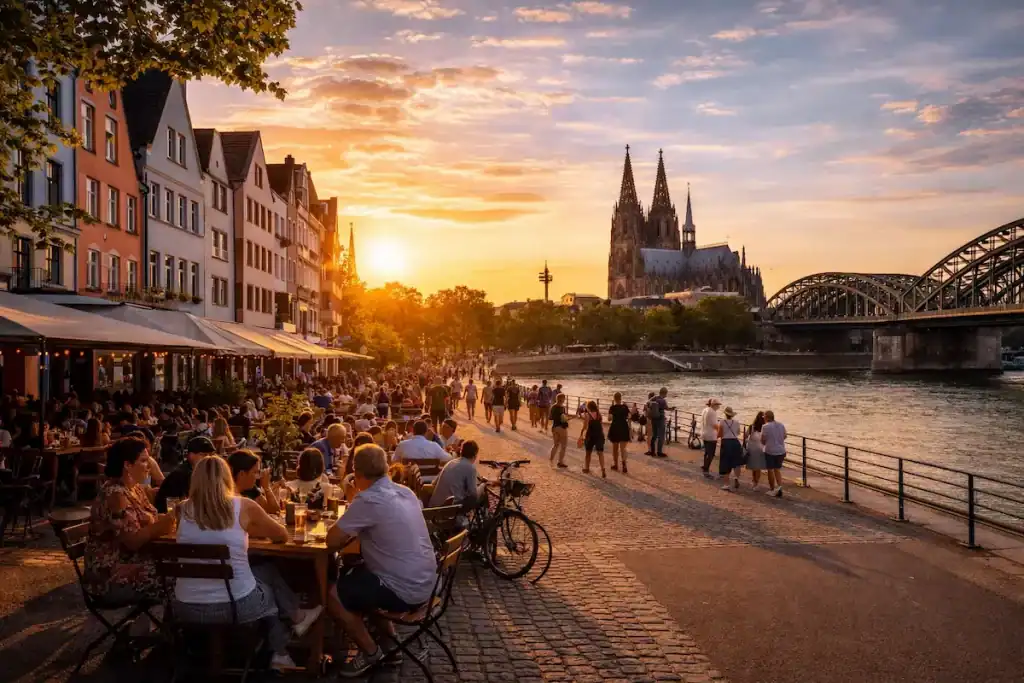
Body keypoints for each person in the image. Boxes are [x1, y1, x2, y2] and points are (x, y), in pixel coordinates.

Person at [173, 456, 322, 673]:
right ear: (227, 478)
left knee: (263, 576)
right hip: (234, 607)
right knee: (268, 589)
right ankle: (283, 644)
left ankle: (283, 644)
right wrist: (248, 530)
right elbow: (280, 535)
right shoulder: (242, 505)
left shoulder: (180, 509)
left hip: (185, 607)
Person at [327, 445, 438, 677]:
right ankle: (390, 645)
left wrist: (353, 498)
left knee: (333, 595)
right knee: (364, 575)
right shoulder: (405, 492)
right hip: (427, 583)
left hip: (404, 589)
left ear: (357, 473)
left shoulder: (369, 499)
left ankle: (370, 652)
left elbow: (332, 541)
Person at [85, 438, 175, 603]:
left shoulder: (134, 489)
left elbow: (151, 520)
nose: (149, 465)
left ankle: (171, 624)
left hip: (133, 563)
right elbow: (132, 541)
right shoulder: (115, 495)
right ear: (127, 465)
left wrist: (173, 517)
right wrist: (162, 525)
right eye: (144, 461)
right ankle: (174, 626)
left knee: (182, 566)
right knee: (178, 577)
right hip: (110, 577)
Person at [155, 436, 217, 513]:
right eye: (203, 455)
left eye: (211, 455)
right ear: (191, 455)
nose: (208, 458)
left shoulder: (202, 473)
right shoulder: (182, 475)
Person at [428, 440, 483, 510]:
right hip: (448, 509)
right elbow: (473, 494)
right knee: (480, 491)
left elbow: (434, 483)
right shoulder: (470, 467)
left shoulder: (451, 463)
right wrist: (483, 485)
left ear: (461, 452)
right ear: (474, 455)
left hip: (433, 507)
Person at [227, 449, 281, 515]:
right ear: (242, 474)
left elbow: (274, 510)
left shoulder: (249, 488)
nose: (257, 477)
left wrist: (267, 487)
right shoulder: (227, 495)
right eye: (255, 472)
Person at [761, 410, 787, 498]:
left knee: (770, 470)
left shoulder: (765, 427)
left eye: (764, 417)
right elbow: (785, 436)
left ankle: (772, 489)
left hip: (770, 451)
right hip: (781, 450)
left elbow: (763, 440)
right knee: (777, 469)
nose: (763, 418)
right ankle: (779, 487)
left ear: (767, 417)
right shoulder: (781, 424)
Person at [717, 407, 744, 491]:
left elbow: (720, 434)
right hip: (735, 442)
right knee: (736, 462)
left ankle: (726, 484)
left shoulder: (722, 422)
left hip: (726, 442)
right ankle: (736, 478)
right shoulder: (736, 422)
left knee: (726, 463)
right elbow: (738, 433)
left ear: (725, 414)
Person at [579, 400, 607, 478]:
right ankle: (603, 469)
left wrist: (581, 434)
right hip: (599, 435)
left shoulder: (588, 415)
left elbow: (585, 427)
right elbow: (601, 425)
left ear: (588, 407)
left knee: (588, 453)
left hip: (590, 435)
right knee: (600, 453)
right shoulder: (599, 414)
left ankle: (587, 468)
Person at [607, 392, 631, 474]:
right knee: (623, 448)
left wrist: (613, 415)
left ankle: (616, 464)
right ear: (621, 398)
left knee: (615, 448)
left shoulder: (612, 408)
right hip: (624, 427)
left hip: (615, 427)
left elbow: (609, 418)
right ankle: (624, 465)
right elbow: (629, 417)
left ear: (614, 398)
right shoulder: (625, 407)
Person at [745, 411, 767, 491]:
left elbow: (746, 436)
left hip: (751, 448)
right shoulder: (764, 427)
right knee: (758, 467)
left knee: (753, 466)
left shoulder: (751, 427)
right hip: (760, 448)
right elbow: (765, 439)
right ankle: (756, 483)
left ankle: (754, 481)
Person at [699, 398, 721, 477]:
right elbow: (715, 425)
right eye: (718, 405)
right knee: (711, 454)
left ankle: (705, 466)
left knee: (707, 452)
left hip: (704, 433)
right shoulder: (712, 412)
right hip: (711, 435)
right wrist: (721, 431)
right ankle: (706, 470)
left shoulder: (705, 410)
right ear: (714, 405)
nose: (718, 407)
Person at [549, 393, 569, 469]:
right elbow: (564, 418)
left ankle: (551, 459)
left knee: (555, 445)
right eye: (564, 398)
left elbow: (550, 418)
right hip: (561, 428)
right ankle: (560, 462)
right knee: (563, 446)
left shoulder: (553, 406)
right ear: (562, 399)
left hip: (554, 427)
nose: (565, 400)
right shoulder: (562, 407)